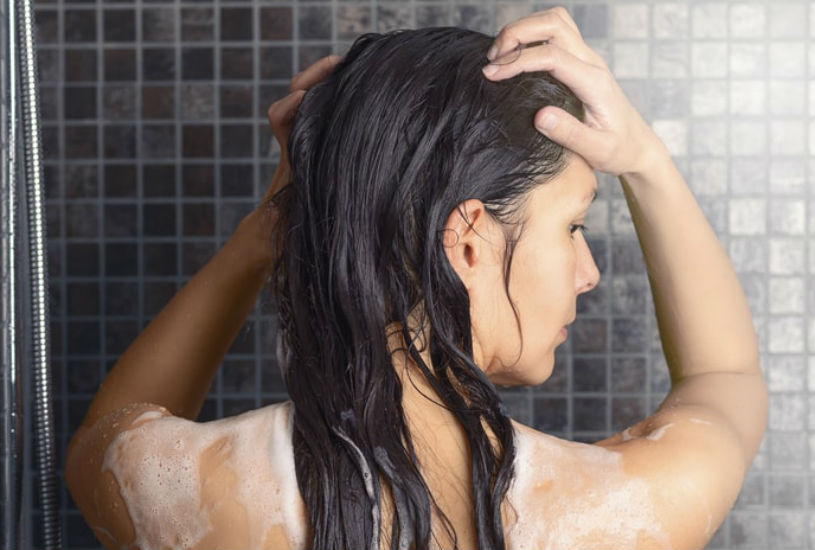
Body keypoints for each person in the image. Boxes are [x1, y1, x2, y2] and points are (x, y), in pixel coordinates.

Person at [65, 7, 767, 550]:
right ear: (466, 243)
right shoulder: (607, 517)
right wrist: (644, 158)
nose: (587, 274)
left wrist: (263, 235)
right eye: (572, 227)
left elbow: (109, 432)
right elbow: (724, 379)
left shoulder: (196, 494)